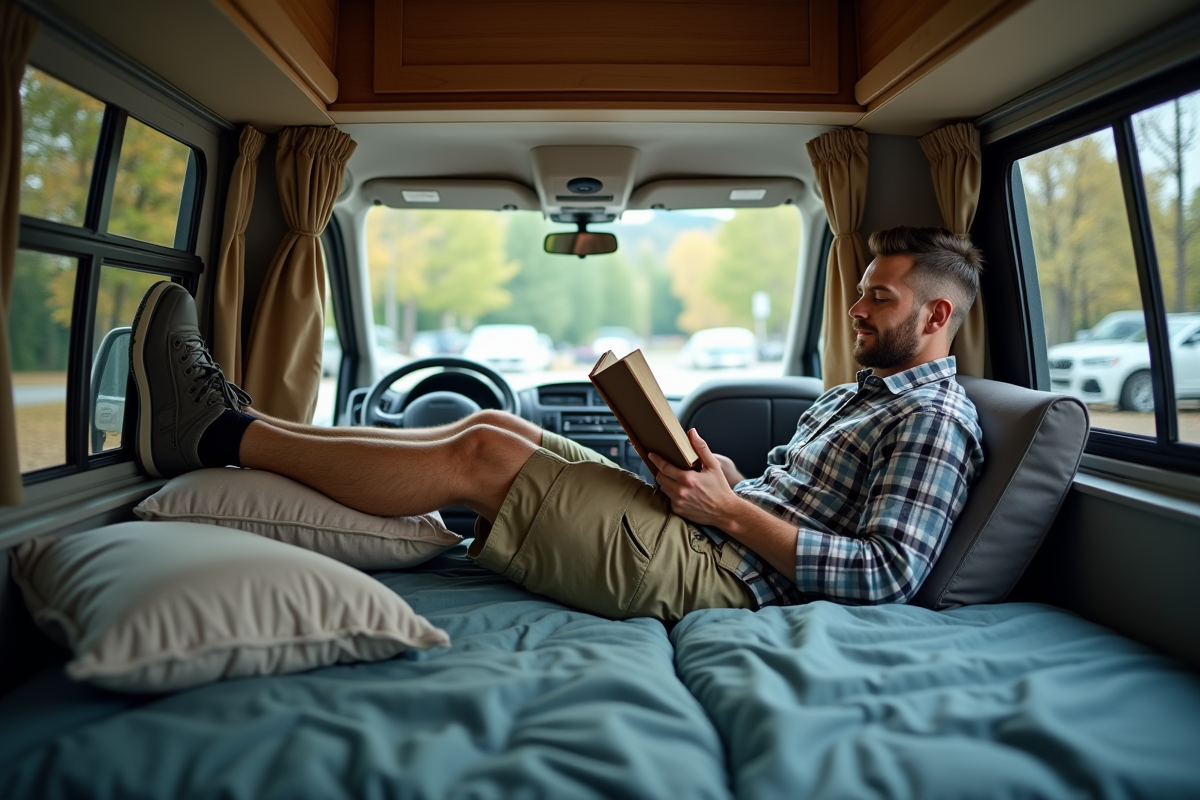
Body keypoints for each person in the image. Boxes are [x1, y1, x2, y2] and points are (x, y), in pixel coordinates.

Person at [129, 225, 984, 623]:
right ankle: (243, 421)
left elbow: (887, 575)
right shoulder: (859, 394)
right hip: (719, 537)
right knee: (494, 422)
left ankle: (217, 434)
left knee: (480, 453)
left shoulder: (934, 421)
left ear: (937, 315)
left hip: (724, 579)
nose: (856, 308)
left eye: (879, 297)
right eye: (860, 291)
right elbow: (793, 505)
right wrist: (727, 482)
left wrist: (727, 514)